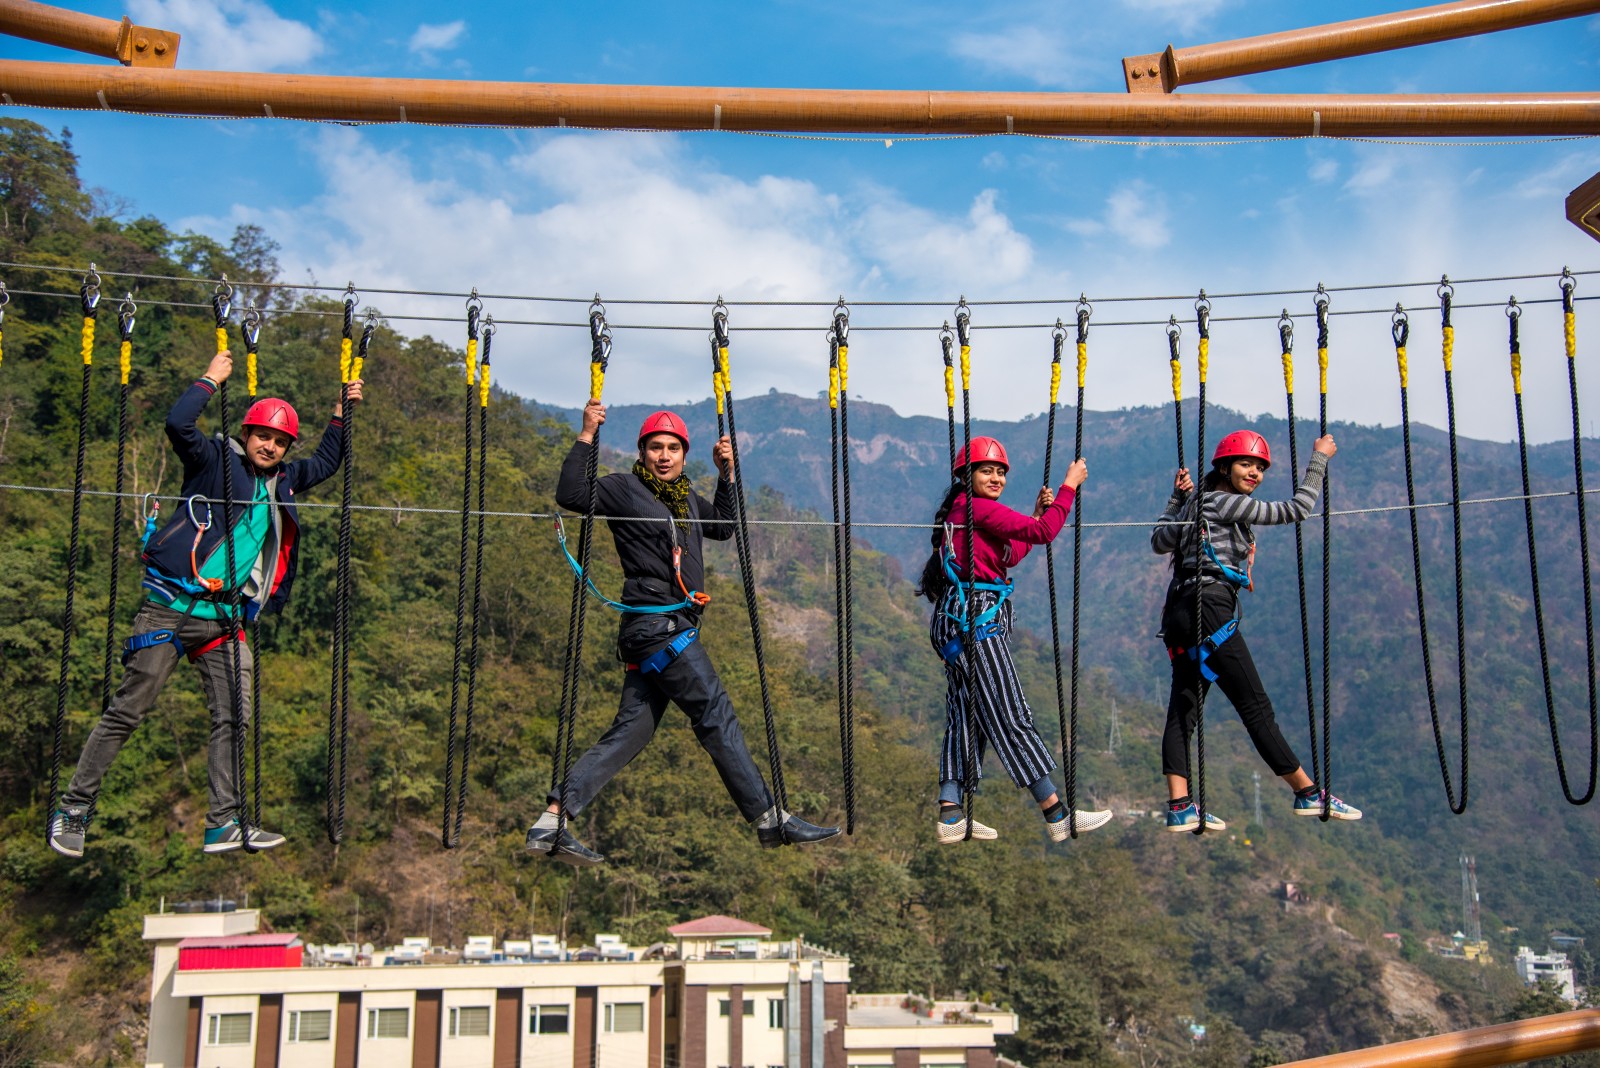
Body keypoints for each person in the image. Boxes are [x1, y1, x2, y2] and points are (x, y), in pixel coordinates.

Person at [49, 349, 362, 858]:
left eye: (280, 441)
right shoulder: (213, 459)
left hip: (223, 619)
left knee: (235, 716)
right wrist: (209, 380)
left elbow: (327, 461)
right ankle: (74, 809)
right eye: (263, 435)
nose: (270, 446)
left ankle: (223, 821)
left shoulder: (281, 481)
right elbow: (178, 424)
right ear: (246, 433)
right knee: (130, 709)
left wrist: (340, 414)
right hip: (170, 608)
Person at [526, 401, 840, 866]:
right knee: (715, 713)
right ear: (642, 451)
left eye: (673, 448)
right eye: (656, 447)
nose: (665, 455)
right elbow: (571, 494)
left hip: (663, 628)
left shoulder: (686, 499)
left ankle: (552, 820)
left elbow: (724, 527)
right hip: (658, 625)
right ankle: (770, 816)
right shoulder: (621, 488)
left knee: (630, 732)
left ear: (683, 454)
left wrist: (726, 475)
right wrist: (587, 434)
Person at [1152, 429, 1362, 831]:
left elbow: (1159, 539)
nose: (1255, 473)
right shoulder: (1225, 502)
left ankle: (1179, 804)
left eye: (1261, 467)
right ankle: (1306, 792)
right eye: (1246, 464)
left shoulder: (1198, 503)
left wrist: (1178, 500)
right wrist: (1319, 460)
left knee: (1183, 711)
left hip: (1179, 611)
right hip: (1210, 607)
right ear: (1224, 467)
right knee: (1255, 708)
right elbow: (1296, 509)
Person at [915, 435, 1113, 844]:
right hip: (976, 618)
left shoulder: (965, 512)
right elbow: (1044, 533)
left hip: (958, 618)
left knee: (967, 718)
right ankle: (1056, 812)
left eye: (1001, 471)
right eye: (987, 470)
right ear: (965, 476)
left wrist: (1034, 513)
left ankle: (951, 812)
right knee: (1010, 713)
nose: (996, 477)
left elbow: (1008, 556)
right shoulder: (976, 507)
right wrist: (1068, 487)